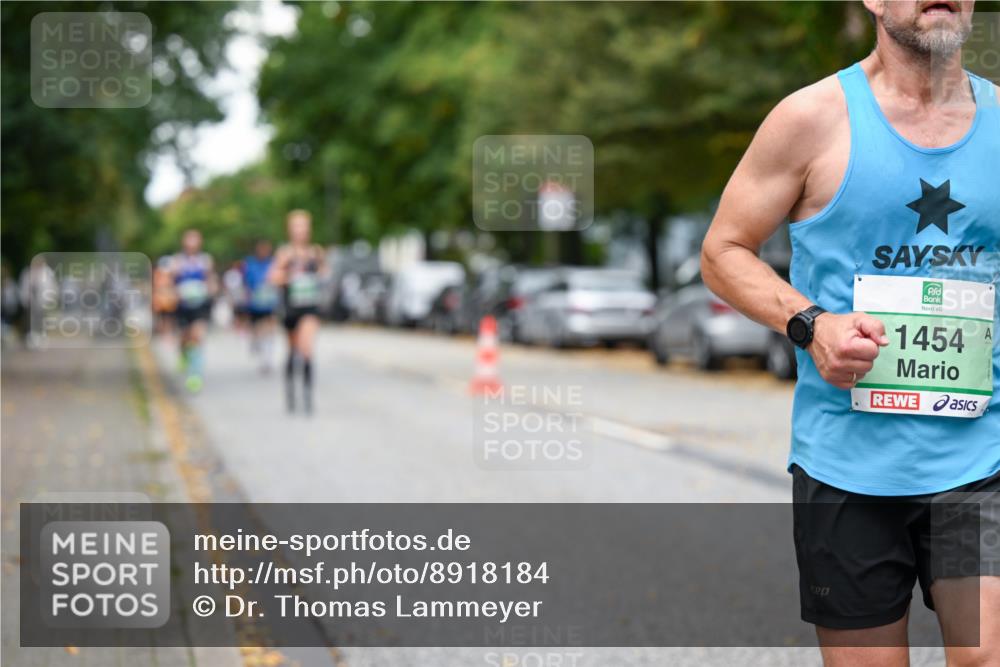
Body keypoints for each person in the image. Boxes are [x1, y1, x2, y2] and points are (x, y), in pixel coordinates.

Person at [701, 1, 998, 665]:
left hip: (981, 459)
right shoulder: (811, 118)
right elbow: (723, 251)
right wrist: (810, 325)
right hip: (847, 465)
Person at [269, 210, 327, 414]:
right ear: (290, 229)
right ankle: (291, 392)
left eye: (304, 225)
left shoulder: (316, 252)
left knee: (307, 349)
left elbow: (325, 275)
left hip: (310, 308)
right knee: (293, 351)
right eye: (296, 226)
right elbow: (273, 277)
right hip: (291, 308)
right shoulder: (285, 253)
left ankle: (308, 396)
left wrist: (318, 276)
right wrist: (289, 277)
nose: (301, 230)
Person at [168, 230, 217, 393]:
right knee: (185, 338)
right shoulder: (177, 261)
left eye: (195, 239)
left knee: (197, 336)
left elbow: (211, 280)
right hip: (182, 307)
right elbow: (170, 282)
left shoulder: (205, 260)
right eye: (189, 239)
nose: (192, 243)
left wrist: (210, 290)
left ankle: (195, 375)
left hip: (200, 305)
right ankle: (183, 354)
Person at [243, 239, 279, 373]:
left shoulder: (272, 263)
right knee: (258, 329)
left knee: (270, 328)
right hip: (255, 304)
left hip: (269, 303)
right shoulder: (250, 264)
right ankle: (259, 347)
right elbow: (247, 282)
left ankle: (267, 358)